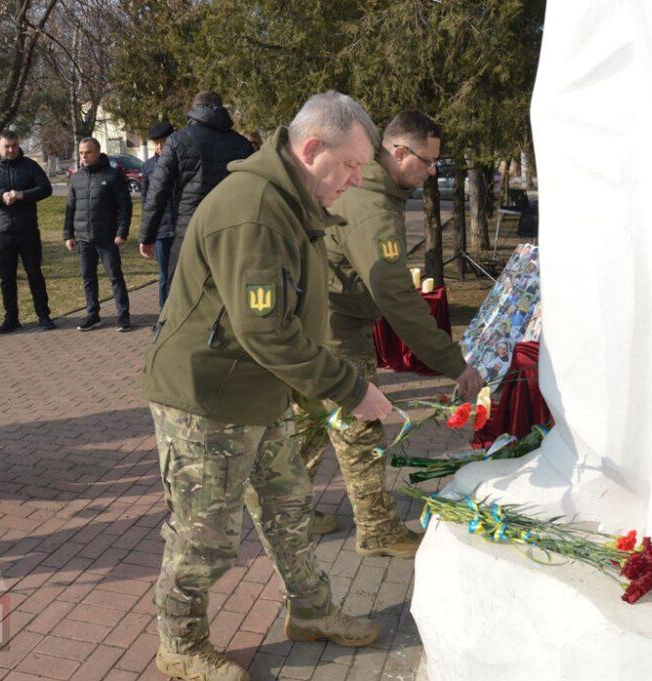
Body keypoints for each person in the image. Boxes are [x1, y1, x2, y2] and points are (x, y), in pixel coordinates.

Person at [142, 91, 391, 681]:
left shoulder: (292, 201)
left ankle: (310, 611)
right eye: (352, 166)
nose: (356, 180)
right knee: (207, 533)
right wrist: (350, 389)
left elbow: (292, 317)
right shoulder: (255, 210)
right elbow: (266, 330)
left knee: (290, 508)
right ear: (311, 149)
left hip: (261, 390)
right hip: (208, 397)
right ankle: (180, 642)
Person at [289, 111, 485, 558]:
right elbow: (395, 294)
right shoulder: (373, 204)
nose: (433, 170)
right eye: (427, 160)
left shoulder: (376, 190)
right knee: (360, 432)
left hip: (320, 325)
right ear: (399, 152)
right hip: (338, 333)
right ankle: (377, 530)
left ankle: (282, 506)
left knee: (311, 426)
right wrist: (454, 364)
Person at [138, 90, 253, 295]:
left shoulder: (177, 141)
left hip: (189, 230)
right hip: (232, 233)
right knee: (228, 295)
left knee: (181, 297)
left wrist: (147, 236)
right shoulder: (242, 145)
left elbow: (157, 192)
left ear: (193, 110)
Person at [0, 130, 55, 333]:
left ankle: (43, 315)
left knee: (35, 274)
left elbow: (46, 188)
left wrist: (22, 195)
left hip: (28, 230)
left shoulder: (29, 165)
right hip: (2, 232)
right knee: (7, 278)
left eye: (14, 146)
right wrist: (0, 198)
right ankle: (11, 318)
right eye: (7, 146)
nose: (11, 150)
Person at [63, 137, 133, 332]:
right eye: (81, 153)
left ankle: (123, 316)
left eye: (88, 152)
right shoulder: (76, 177)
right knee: (88, 277)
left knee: (115, 277)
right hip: (84, 238)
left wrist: (121, 232)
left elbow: (125, 207)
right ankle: (93, 315)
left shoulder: (113, 175)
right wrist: (68, 234)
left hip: (107, 238)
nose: (83, 156)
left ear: (98, 152)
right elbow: (70, 208)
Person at [140, 121, 177, 310]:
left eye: (163, 142)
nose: (160, 147)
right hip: (161, 230)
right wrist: (146, 235)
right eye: (156, 143)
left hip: (181, 228)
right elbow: (146, 203)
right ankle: (164, 315)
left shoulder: (181, 161)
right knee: (164, 276)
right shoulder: (147, 167)